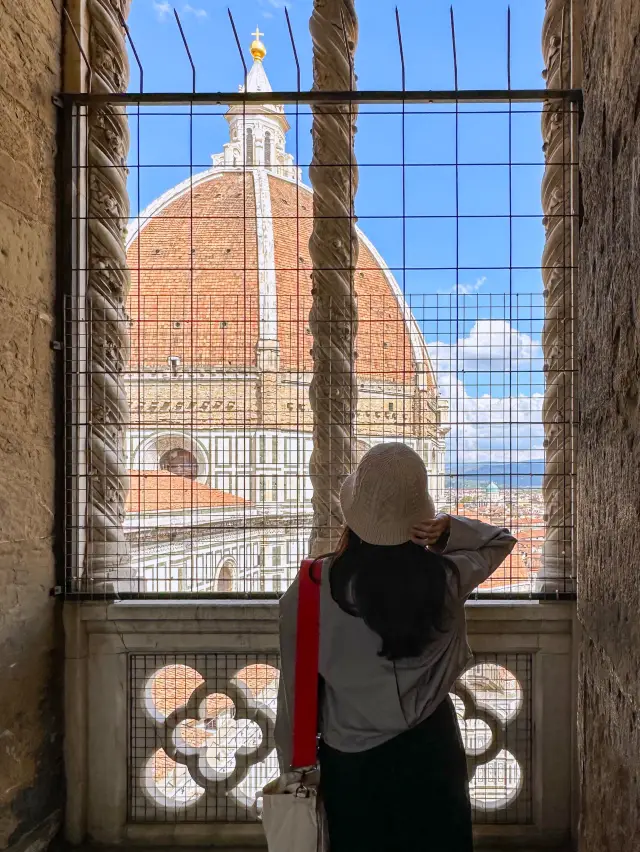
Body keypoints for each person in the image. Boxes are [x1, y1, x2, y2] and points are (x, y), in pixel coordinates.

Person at [275, 442, 516, 852]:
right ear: (418, 519)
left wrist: (293, 768)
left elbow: (294, 690)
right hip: (431, 751)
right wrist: (447, 531)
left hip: (350, 761)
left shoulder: (312, 589)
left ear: (354, 515)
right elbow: (499, 541)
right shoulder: (447, 577)